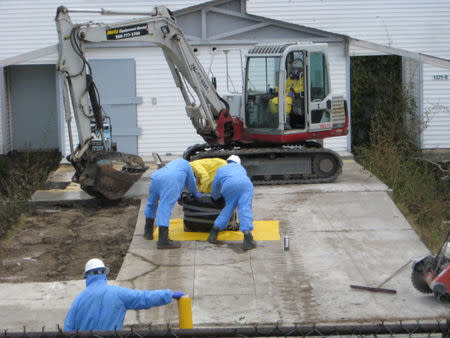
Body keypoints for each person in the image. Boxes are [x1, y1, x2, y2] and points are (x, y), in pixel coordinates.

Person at [64, 258, 184, 331]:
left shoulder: (79, 300)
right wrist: (169, 294)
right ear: (104, 274)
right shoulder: (117, 293)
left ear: (87, 277)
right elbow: (144, 298)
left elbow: (67, 329)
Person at [143, 158, 201, 248]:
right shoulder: (188, 166)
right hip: (169, 180)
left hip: (156, 178)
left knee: (151, 203)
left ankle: (148, 232)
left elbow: (175, 179)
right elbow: (191, 183)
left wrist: (177, 196)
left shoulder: (175, 162)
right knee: (165, 206)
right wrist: (195, 193)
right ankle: (163, 240)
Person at [207, 155, 256, 250]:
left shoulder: (221, 169)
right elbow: (241, 178)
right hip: (245, 185)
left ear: (227, 162)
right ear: (238, 163)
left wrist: (215, 197)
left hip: (229, 187)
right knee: (244, 208)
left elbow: (215, 187)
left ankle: (213, 233)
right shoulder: (241, 168)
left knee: (228, 208)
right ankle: (248, 239)